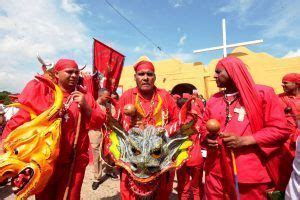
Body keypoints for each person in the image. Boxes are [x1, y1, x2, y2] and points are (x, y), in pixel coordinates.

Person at [1, 58, 106, 200]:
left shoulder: (84, 96)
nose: (74, 75)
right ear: (56, 74)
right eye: (69, 72)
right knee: (45, 196)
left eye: (76, 72)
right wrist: (3, 143)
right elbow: (20, 119)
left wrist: (86, 107)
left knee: (70, 197)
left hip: (73, 163)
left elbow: (99, 122)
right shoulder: (43, 92)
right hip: (45, 161)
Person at [203, 56, 290, 199]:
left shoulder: (263, 93)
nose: (214, 76)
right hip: (216, 172)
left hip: (249, 174)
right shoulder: (213, 99)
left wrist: (245, 140)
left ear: (233, 71)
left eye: (218, 72)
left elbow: (280, 129)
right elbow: (203, 126)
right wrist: (207, 138)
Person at [118, 58, 179, 199]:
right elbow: (117, 124)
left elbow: (177, 121)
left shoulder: (165, 96)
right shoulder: (127, 96)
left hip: (159, 158)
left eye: (149, 74)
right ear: (135, 77)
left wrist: (162, 132)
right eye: (141, 74)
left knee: (161, 194)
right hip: (133, 158)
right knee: (129, 194)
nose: (145, 78)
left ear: (154, 77)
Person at [176, 93, 205, 200]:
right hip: (197, 158)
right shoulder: (199, 119)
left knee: (184, 188)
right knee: (196, 187)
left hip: (182, 158)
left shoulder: (177, 122)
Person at [88, 88, 118, 190]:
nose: (108, 98)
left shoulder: (109, 105)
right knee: (97, 155)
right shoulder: (92, 105)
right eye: (107, 96)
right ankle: (97, 178)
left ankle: (109, 171)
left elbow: (115, 115)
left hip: (108, 132)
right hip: (96, 132)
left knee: (109, 153)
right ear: (100, 96)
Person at [278, 73, 300, 153]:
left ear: (296, 84)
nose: (282, 85)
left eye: (285, 82)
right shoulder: (278, 98)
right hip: (287, 141)